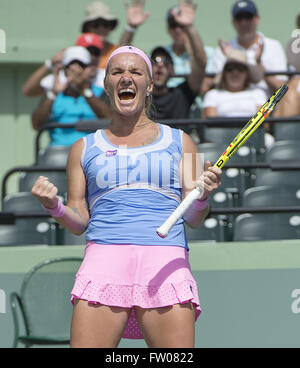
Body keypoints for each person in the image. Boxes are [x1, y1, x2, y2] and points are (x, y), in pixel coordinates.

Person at [31, 45, 222, 348]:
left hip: (165, 261)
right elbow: (79, 220)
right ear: (106, 85)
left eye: (136, 72)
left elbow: (195, 219)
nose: (126, 78)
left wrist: (202, 197)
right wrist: (54, 206)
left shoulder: (184, 141)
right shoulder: (82, 148)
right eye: (117, 72)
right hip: (104, 259)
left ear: (149, 86)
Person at [31, 46, 111, 146]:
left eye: (81, 65)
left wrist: (85, 91)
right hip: (58, 152)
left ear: (89, 68)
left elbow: (111, 120)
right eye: (70, 66)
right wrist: (53, 94)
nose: (76, 71)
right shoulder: (54, 93)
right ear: (64, 70)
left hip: (92, 150)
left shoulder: (100, 92)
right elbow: (36, 124)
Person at [215, 0, 287, 96]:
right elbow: (218, 85)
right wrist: (231, 57)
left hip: (267, 107)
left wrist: (259, 64)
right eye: (239, 18)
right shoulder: (222, 50)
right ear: (233, 22)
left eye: (248, 17)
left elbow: (282, 90)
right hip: (232, 102)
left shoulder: (273, 46)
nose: (244, 22)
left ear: (257, 19)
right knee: (211, 99)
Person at [202, 49, 273, 146]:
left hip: (254, 138)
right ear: (224, 73)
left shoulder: (258, 93)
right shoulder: (213, 94)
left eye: (240, 68)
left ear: (247, 74)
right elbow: (212, 124)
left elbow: (264, 123)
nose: (235, 72)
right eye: (230, 68)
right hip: (220, 142)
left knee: (269, 141)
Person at [22, 33, 104, 97]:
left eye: (96, 52)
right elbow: (28, 91)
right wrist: (50, 63)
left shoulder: (106, 76)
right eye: (87, 51)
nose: (93, 56)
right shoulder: (60, 77)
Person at [164, 1, 215, 97]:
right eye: (174, 25)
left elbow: (203, 87)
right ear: (168, 30)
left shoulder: (209, 53)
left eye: (182, 25)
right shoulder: (161, 53)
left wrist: (189, 28)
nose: (178, 30)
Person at [81, 1, 150, 69]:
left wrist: (131, 27)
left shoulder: (113, 51)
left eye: (105, 24)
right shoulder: (78, 52)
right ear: (87, 28)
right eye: (96, 24)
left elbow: (122, 50)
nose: (101, 28)